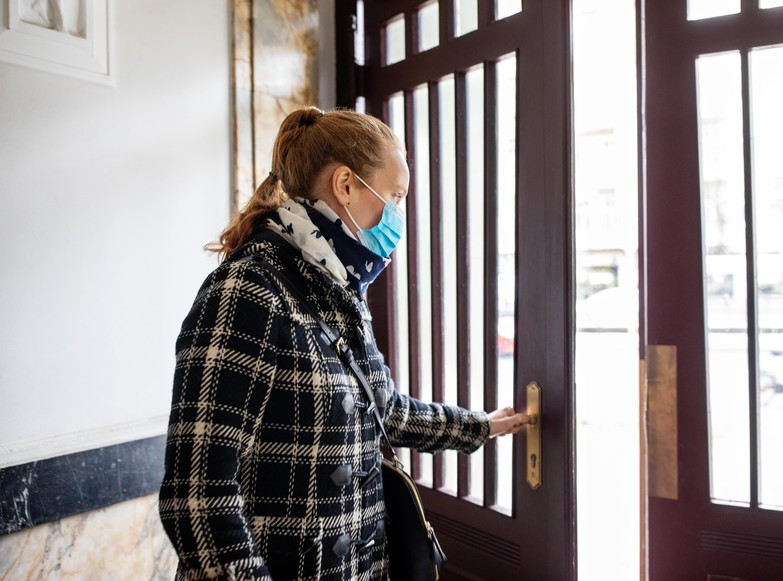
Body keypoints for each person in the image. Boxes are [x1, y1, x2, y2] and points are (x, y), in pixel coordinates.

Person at [159, 106, 528, 581]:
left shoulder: (337, 287)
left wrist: (480, 427)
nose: (398, 215)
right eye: (395, 195)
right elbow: (197, 497)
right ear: (346, 185)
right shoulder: (246, 290)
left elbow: (387, 411)